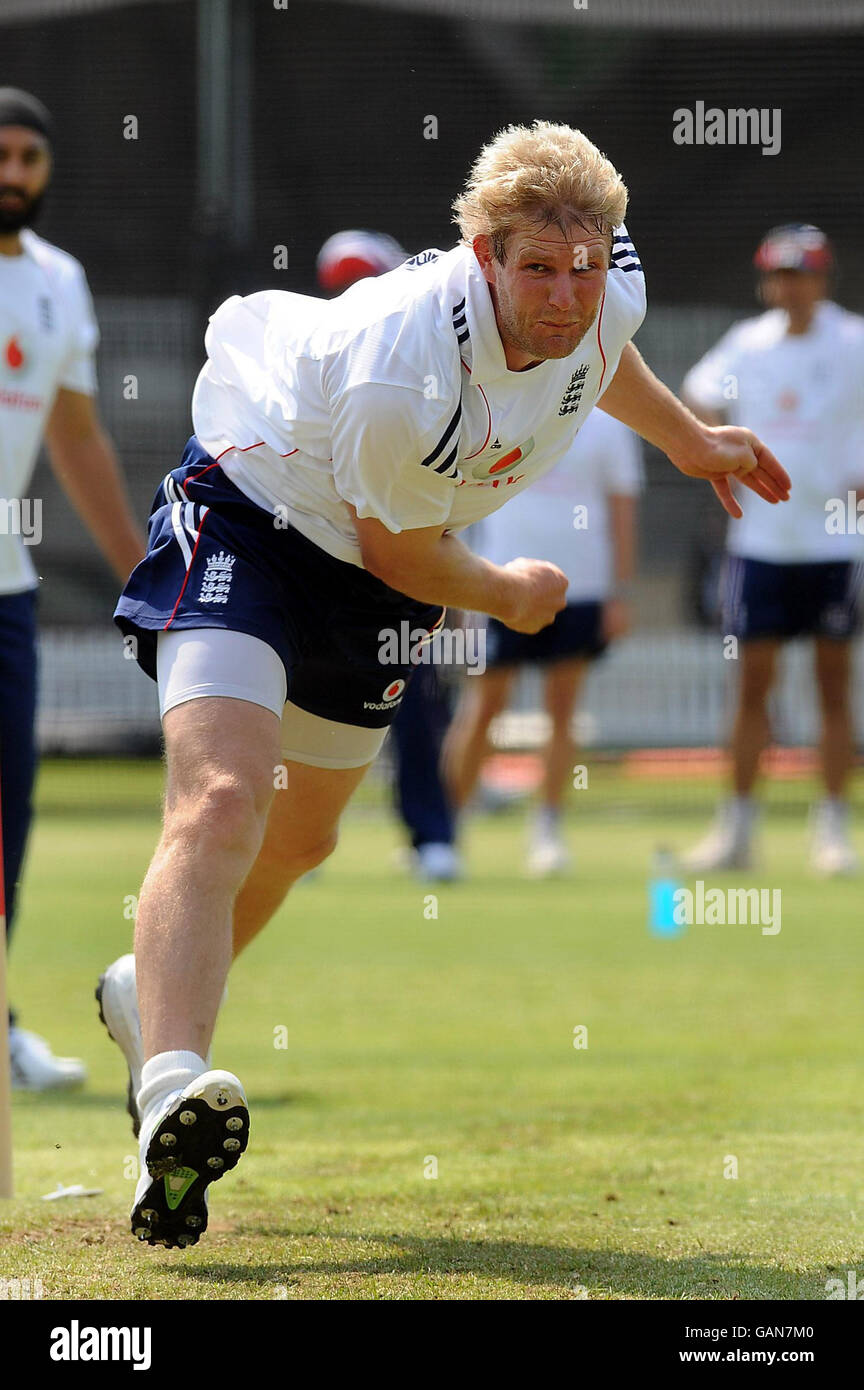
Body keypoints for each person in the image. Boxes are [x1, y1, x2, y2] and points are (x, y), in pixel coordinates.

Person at [97, 120, 789, 1249]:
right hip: (260, 514)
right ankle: (173, 1084)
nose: (565, 296)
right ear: (481, 254)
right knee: (224, 797)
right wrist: (510, 592)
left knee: (301, 842)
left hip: (386, 559)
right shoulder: (398, 363)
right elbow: (401, 556)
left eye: (584, 267)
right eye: (537, 270)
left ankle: (144, 990)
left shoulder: (606, 289)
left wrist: (688, 439)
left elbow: (603, 354)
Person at [0, 88, 145, 1089]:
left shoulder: (61, 281)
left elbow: (78, 433)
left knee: (9, 815)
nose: (13, 174)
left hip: (7, 587)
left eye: (30, 159)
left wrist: (145, 572)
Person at [681, 224, 864, 875]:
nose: (792, 286)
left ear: (824, 278)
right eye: (781, 274)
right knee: (751, 688)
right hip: (757, 545)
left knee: (834, 687)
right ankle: (736, 831)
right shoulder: (746, 345)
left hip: (835, 541)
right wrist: (713, 447)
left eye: (804, 273)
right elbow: (696, 399)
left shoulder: (852, 340)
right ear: (767, 282)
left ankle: (834, 831)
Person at [317, 230, 462, 881]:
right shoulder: (315, 356)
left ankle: (432, 838)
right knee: (290, 706)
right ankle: (290, 842)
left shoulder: (433, 373)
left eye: (362, 279)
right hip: (313, 562)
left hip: (400, 572)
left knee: (417, 710)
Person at [443, 408, 641, 875]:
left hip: (582, 586)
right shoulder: (500, 405)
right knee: (484, 705)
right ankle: (446, 830)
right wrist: (454, 582)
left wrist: (621, 591)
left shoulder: (610, 425)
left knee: (563, 708)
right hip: (497, 581)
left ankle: (547, 830)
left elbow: (622, 507)